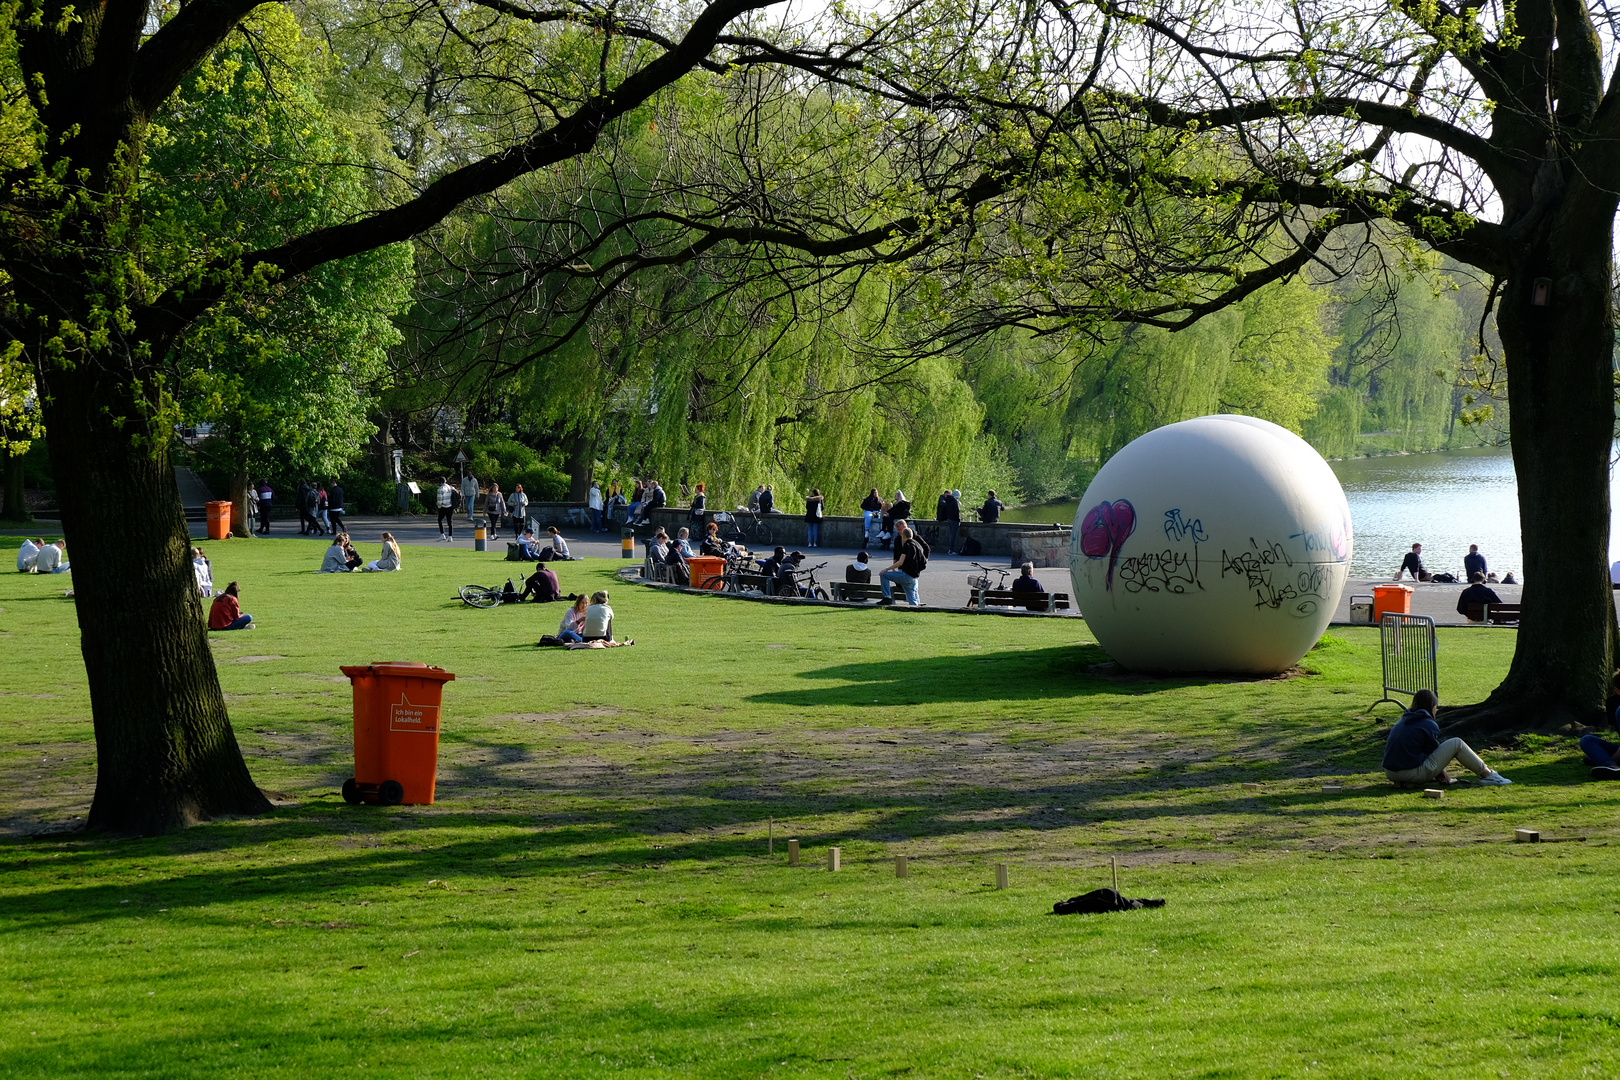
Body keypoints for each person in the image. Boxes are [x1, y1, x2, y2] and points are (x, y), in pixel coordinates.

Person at [1382, 689, 1511, 786]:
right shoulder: (1428, 723)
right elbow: (1432, 752)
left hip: (1390, 773)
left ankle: (1404, 782)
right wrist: (1442, 772)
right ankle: (1488, 775)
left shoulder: (1403, 720)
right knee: (1457, 743)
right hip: (1412, 772)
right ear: (1432, 705)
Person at [1580, 671, 1620, 780]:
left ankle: (1610, 764)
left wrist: (1613, 759)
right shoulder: (1613, 703)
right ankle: (1610, 766)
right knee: (1587, 740)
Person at [879, 521, 929, 605]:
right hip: (914, 575)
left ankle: (887, 597)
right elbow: (896, 554)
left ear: (905, 534)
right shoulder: (917, 544)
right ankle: (917, 606)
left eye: (900, 530)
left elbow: (901, 562)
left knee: (884, 575)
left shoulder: (907, 545)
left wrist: (887, 569)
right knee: (912, 597)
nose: (899, 532)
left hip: (906, 574)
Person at [937, 488, 961, 553]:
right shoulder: (955, 502)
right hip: (954, 520)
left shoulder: (948, 500)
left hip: (949, 519)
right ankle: (951, 549)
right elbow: (957, 512)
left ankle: (950, 549)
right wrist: (959, 519)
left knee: (951, 534)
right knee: (953, 535)